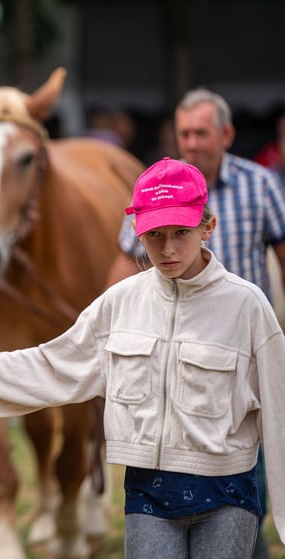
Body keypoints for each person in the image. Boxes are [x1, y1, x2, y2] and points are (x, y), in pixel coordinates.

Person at [0, 157, 285, 558]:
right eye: (154, 235)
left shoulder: (248, 306)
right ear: (137, 231)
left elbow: (280, 411)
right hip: (148, 496)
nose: (167, 249)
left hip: (228, 495)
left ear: (208, 227)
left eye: (181, 233)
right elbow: (49, 366)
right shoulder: (119, 305)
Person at [106, 89, 285, 557]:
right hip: (174, 355)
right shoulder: (153, 197)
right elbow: (125, 267)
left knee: (249, 471)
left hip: (237, 357)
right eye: (183, 133)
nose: (191, 142)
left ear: (226, 135)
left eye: (201, 133)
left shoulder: (259, 185)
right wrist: (109, 324)